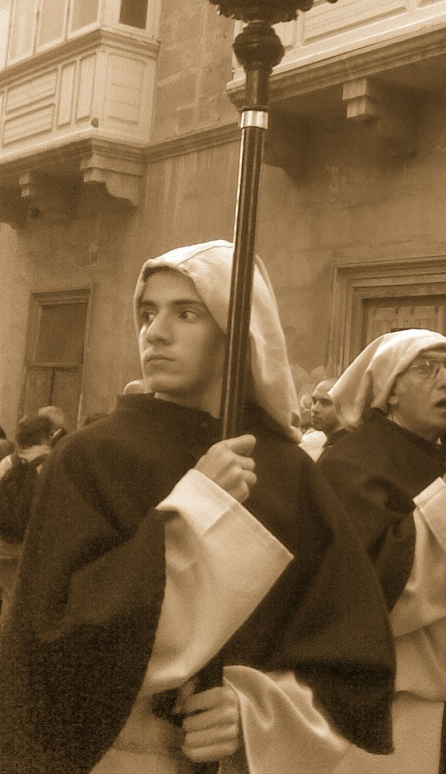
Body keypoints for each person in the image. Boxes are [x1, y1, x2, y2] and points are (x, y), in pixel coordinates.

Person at [0, 240, 395, 774]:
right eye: (147, 312)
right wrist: (195, 511)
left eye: (186, 313)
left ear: (240, 336)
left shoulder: (290, 472)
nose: (155, 331)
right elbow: (49, 644)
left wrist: (254, 714)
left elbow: (349, 653)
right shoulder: (90, 455)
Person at [319, 329, 446, 774]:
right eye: (425, 368)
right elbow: (361, 592)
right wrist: (445, 498)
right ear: (391, 391)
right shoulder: (348, 463)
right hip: (393, 711)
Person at [0, 412, 56, 626]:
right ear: (46, 437)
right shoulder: (52, 464)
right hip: (31, 549)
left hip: (3, 545)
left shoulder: (7, 463)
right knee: (28, 608)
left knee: (8, 600)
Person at [311, 379, 349, 459]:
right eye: (314, 401)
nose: (315, 408)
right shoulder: (337, 445)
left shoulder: (339, 452)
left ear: (345, 406)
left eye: (325, 403)